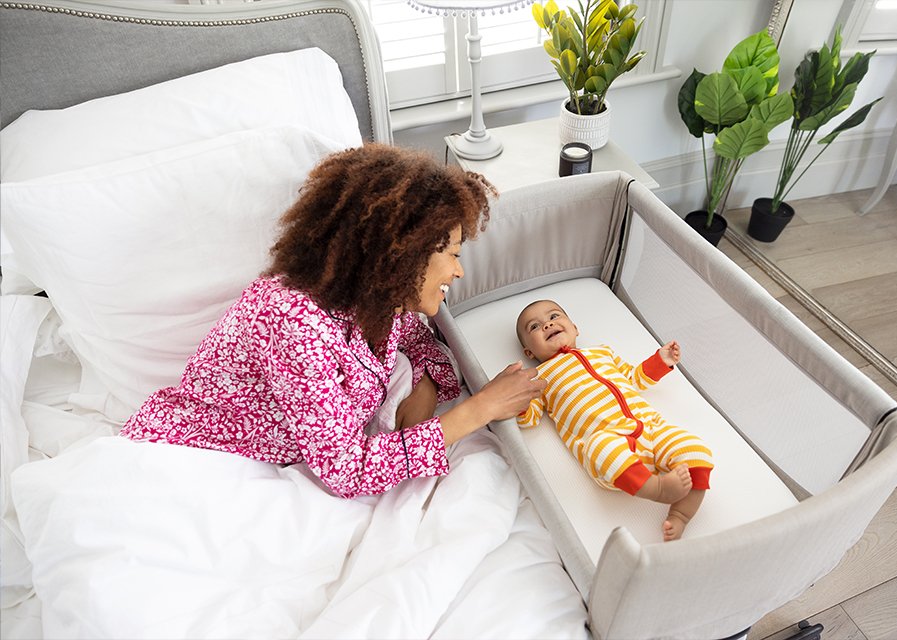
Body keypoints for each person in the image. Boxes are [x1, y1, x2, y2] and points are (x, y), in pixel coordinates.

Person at [121, 144, 546, 499]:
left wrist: (424, 395)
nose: (459, 272)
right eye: (452, 254)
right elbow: (346, 471)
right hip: (200, 461)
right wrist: (480, 408)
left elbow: (420, 342)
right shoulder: (295, 324)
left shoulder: (381, 302)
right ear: (403, 253)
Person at [515, 299, 714, 541]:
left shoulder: (602, 352)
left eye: (554, 316)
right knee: (600, 448)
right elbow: (530, 418)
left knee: (695, 449)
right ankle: (656, 488)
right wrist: (518, 400)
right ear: (529, 352)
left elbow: (634, 378)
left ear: (575, 327)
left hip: (650, 428)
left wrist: (660, 361)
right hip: (607, 441)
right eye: (534, 327)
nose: (547, 324)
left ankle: (681, 514)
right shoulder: (539, 378)